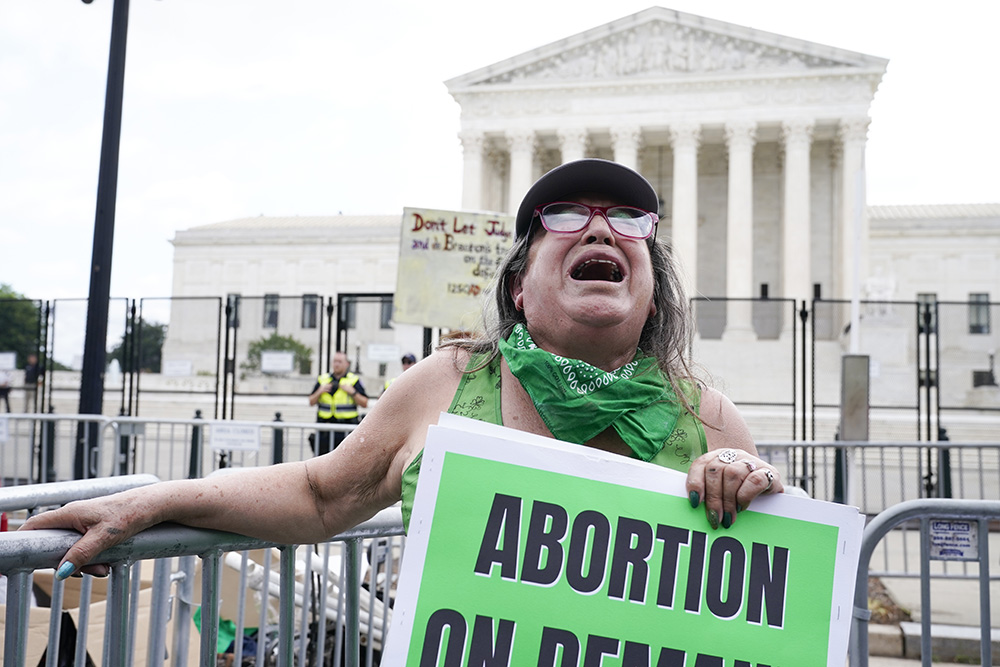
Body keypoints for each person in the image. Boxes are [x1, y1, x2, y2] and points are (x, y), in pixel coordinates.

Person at [23, 158, 783, 581]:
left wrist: (752, 485)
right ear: (519, 288)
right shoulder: (448, 381)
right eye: (565, 216)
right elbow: (322, 493)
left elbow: (766, 585)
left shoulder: (707, 416)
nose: (598, 227)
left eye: (627, 221)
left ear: (651, 294)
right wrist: (150, 501)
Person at [308, 351, 368, 455]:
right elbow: (311, 401)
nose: (337, 364)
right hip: (324, 431)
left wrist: (352, 392)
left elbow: (364, 403)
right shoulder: (323, 379)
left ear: (347, 364)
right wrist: (319, 391)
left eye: (340, 361)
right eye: (335, 361)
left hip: (346, 431)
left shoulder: (353, 380)